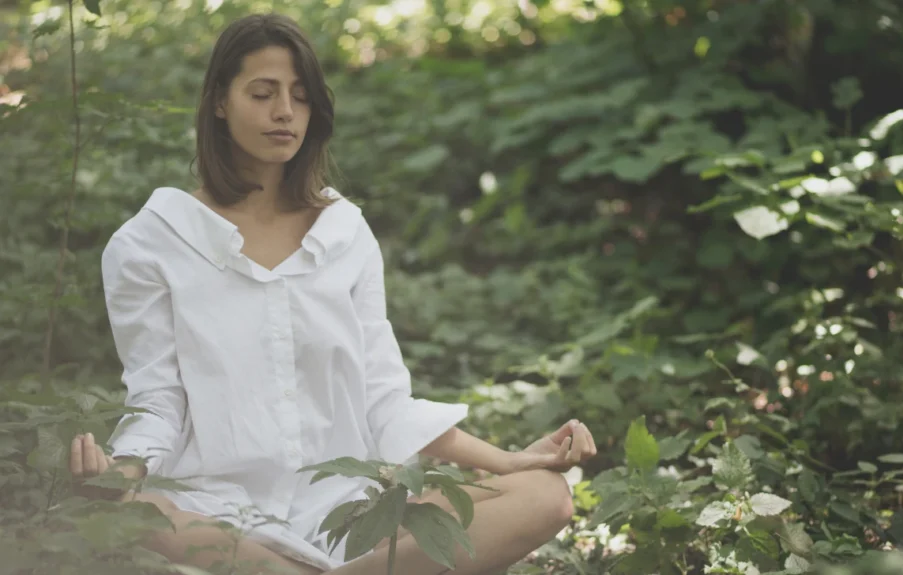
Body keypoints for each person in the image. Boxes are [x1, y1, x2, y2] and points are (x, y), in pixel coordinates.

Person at [67, 13, 596, 575]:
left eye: (300, 96)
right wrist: (118, 473)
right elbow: (158, 399)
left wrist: (511, 460)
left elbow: (384, 399)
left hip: (353, 514)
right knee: (140, 513)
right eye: (263, 93)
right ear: (219, 101)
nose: (284, 112)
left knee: (544, 496)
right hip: (215, 512)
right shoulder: (153, 242)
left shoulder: (343, 233)